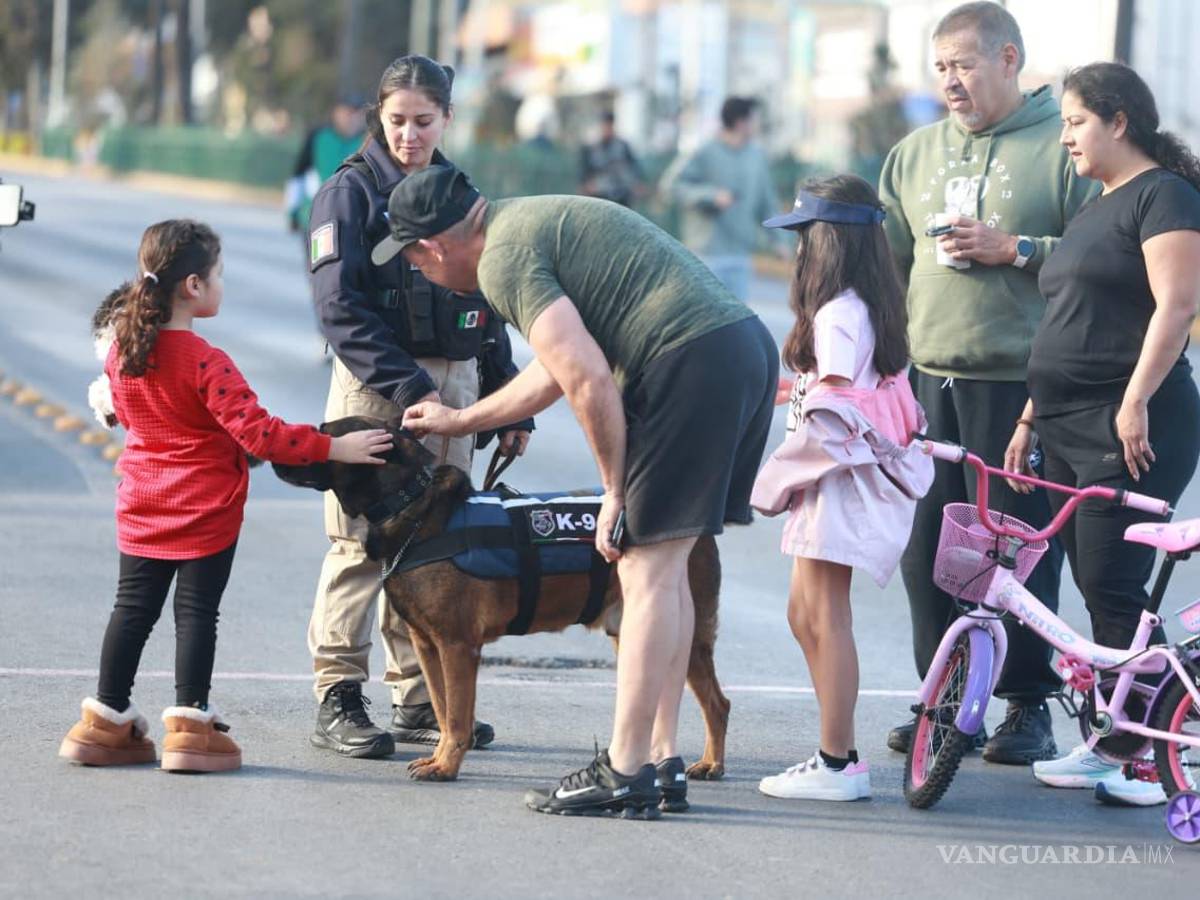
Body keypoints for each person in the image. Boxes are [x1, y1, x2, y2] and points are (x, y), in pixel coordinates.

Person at [381, 165, 777, 817]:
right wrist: (462, 419)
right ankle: (661, 758)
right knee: (668, 571)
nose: (419, 274)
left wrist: (613, 489)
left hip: (688, 359)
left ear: (433, 246)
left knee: (644, 569)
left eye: (414, 262)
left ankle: (625, 768)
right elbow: (557, 367)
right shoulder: (524, 222)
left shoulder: (502, 258)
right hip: (736, 348)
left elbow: (588, 380)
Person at [57, 220, 392, 773]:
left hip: (141, 505)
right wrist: (337, 446)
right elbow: (261, 434)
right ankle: (190, 727)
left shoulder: (124, 354)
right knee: (196, 615)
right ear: (192, 285)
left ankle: (103, 722)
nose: (221, 285)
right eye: (217, 275)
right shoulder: (207, 360)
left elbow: (125, 411)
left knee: (132, 610)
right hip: (204, 512)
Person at [879, 1, 1096, 764]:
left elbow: (1105, 256)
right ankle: (942, 702)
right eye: (941, 68)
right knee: (926, 548)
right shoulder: (913, 153)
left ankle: (1028, 707)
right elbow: (884, 269)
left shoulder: (1063, 146)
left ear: (1009, 60)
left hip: (1023, 390)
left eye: (965, 65)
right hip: (929, 379)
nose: (952, 83)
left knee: (1019, 554)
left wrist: (1019, 248)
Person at [305, 56, 531, 760]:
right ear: (378, 115)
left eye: (423, 122)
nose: (408, 135)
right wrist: (409, 388)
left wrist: (506, 402)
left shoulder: (460, 194)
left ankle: (417, 696)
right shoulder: (349, 194)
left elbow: (489, 298)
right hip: (379, 386)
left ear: (447, 120)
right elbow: (338, 309)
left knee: (437, 541)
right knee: (358, 543)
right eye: (396, 120)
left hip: (456, 385)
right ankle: (340, 691)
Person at [1003, 62, 1200, 807]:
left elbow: (1175, 306)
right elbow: (1064, 322)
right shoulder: (1095, 209)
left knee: (1111, 580)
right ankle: (1124, 738)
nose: (1066, 140)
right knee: (1099, 582)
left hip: (1137, 426)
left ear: (1118, 120)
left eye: (1077, 122)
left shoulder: (1165, 197)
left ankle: (1138, 755)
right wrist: (1029, 415)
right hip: (1070, 423)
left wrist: (1136, 397)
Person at [749, 176, 932, 801]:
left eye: (804, 236)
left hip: (835, 479)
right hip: (843, 478)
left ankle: (839, 761)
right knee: (808, 614)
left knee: (824, 616)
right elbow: (854, 393)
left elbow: (835, 414)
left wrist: (773, 477)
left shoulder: (838, 314)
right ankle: (837, 754)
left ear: (828, 242)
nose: (797, 251)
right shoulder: (865, 304)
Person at [661, 96, 789, 300]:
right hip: (706, 254)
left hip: (740, 255)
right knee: (705, 321)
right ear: (741, 122)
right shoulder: (703, 151)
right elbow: (670, 186)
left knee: (738, 324)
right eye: (754, 119)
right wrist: (710, 196)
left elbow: (767, 202)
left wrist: (779, 241)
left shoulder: (756, 156)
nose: (757, 125)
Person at [579, 111, 644, 208]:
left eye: (609, 125)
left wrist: (637, 184)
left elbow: (633, 167)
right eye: (604, 125)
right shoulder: (590, 148)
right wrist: (586, 185)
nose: (607, 128)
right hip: (599, 195)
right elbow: (584, 172)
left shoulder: (623, 146)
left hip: (622, 194)